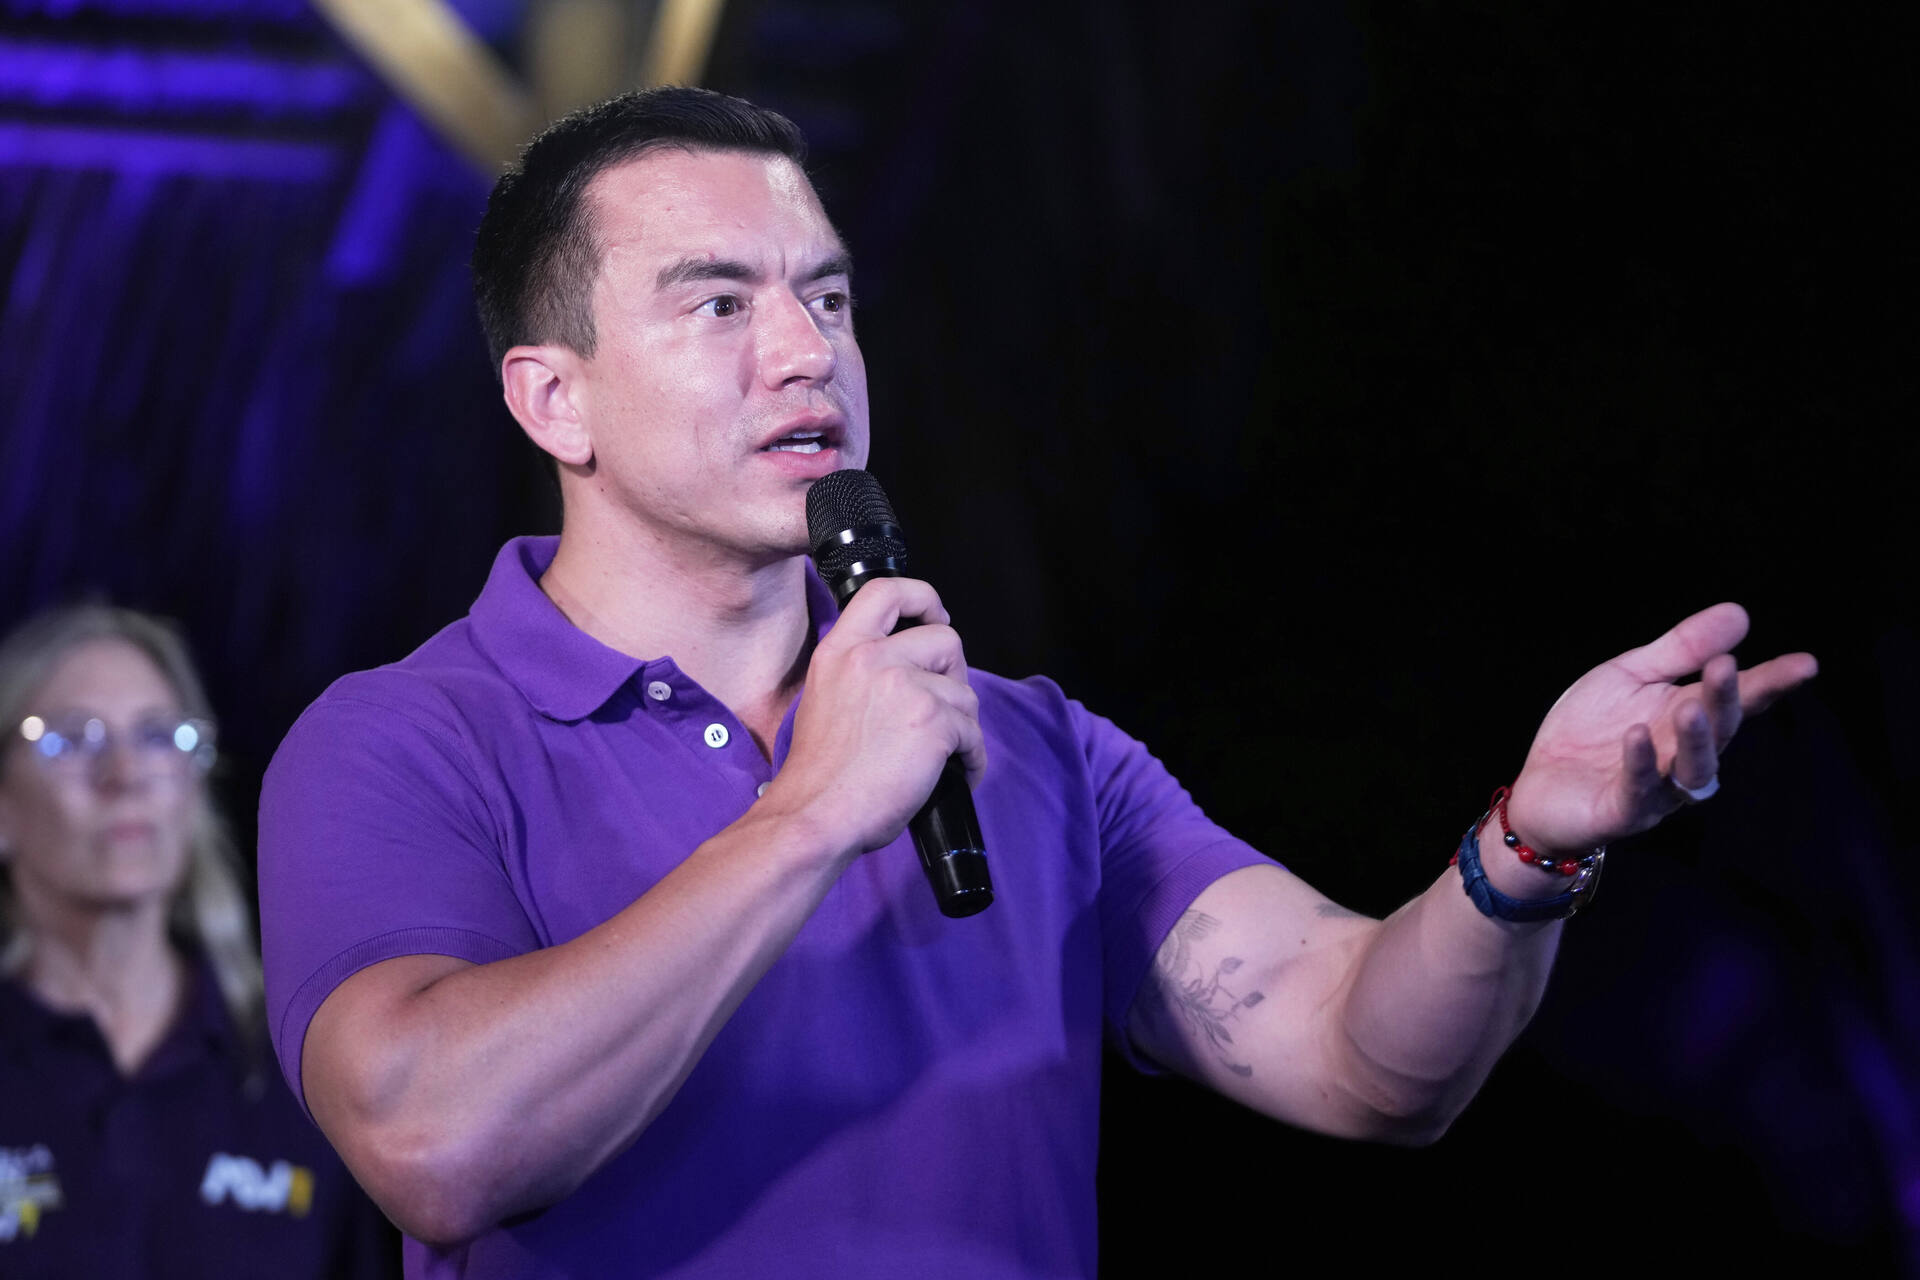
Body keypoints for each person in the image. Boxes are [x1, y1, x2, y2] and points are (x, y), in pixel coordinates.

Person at [257, 87, 1818, 1279]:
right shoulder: (405, 741)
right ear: (555, 399)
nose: (806, 354)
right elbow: (431, 1140)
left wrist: (1531, 849)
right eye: (720, 303)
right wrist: (807, 816)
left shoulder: (1027, 744)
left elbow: (1359, 1055)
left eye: (830, 297)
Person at [0, 604, 399, 1278]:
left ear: (194, 788)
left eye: (159, 737)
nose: (125, 776)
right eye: (71, 739)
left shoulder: (301, 1065)